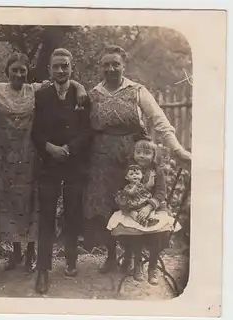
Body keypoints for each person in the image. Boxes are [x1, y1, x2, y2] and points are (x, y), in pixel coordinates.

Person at [0, 52, 88, 273]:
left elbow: (64, 80)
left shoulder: (35, 90)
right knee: (11, 203)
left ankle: (31, 253)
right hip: (5, 158)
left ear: (27, 72)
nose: (19, 74)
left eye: (22, 70)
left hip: (30, 155)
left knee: (31, 203)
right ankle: (15, 251)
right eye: (15, 70)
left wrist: (80, 87)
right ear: (7, 72)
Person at [82, 44, 192, 275]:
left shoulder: (137, 90)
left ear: (124, 66)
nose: (111, 68)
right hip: (101, 159)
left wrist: (177, 149)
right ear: (100, 68)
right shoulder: (93, 94)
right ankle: (111, 256)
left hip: (133, 160)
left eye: (116, 64)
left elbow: (159, 120)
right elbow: (83, 127)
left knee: (136, 203)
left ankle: (134, 258)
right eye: (106, 65)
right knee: (106, 207)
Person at [31, 48, 93, 294]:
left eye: (65, 66)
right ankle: (43, 270)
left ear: (71, 68)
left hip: (73, 162)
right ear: (50, 69)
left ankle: (70, 260)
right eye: (56, 66)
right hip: (49, 163)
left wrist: (69, 148)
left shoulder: (82, 96)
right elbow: (34, 130)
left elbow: (88, 131)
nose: (60, 70)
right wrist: (49, 148)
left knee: (72, 212)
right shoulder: (41, 95)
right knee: (46, 215)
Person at [106, 138, 180, 285]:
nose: (141, 156)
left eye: (146, 153)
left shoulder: (156, 172)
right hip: (133, 208)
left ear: (154, 156)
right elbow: (121, 193)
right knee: (136, 232)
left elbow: (160, 192)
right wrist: (131, 209)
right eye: (138, 152)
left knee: (156, 233)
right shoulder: (128, 172)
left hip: (154, 208)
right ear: (133, 154)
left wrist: (149, 206)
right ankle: (138, 264)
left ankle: (152, 267)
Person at [114, 163, 159, 228]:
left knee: (151, 210)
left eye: (137, 174)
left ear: (142, 175)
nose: (135, 175)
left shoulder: (141, 185)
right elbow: (131, 193)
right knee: (132, 213)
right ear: (127, 177)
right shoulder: (128, 187)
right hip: (133, 205)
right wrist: (136, 185)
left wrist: (152, 177)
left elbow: (149, 185)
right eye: (131, 174)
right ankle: (141, 221)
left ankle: (151, 219)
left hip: (143, 203)